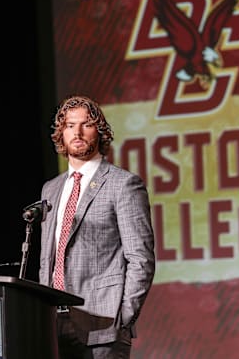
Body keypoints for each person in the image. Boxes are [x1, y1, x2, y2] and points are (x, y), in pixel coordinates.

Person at [38, 94, 156, 358]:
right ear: (61, 133)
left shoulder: (123, 184)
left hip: (102, 324)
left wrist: (122, 317)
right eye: (69, 125)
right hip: (53, 324)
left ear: (99, 132)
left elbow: (141, 259)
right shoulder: (51, 189)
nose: (77, 132)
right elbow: (48, 260)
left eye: (86, 124)